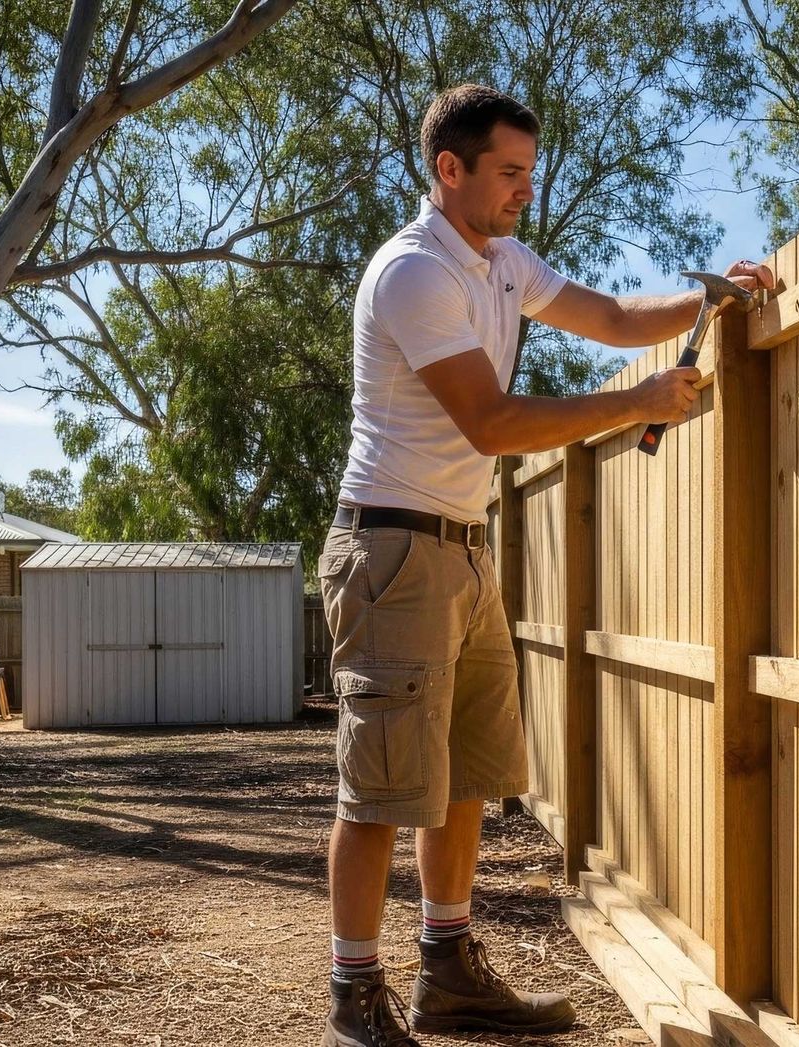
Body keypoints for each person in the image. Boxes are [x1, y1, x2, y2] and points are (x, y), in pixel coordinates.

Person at [319, 83, 774, 1047]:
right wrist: (636, 402)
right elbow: (491, 421)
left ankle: (448, 971)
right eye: (509, 172)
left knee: (465, 773)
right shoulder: (414, 274)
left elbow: (609, 316)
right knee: (382, 788)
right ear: (450, 171)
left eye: (531, 170)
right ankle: (353, 1000)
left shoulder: (502, 261)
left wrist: (709, 297)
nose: (526, 188)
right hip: (392, 547)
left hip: (463, 548)